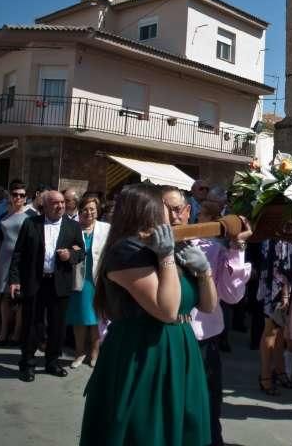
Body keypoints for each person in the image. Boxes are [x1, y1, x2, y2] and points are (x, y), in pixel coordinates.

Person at [80, 183, 219, 446]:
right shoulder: (126, 252)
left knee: (181, 427)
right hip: (143, 351)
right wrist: (166, 256)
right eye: (165, 207)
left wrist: (204, 272)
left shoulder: (175, 246)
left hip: (180, 345)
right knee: (145, 430)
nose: (173, 214)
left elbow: (209, 306)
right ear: (146, 211)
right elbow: (167, 310)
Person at [187, 200, 252, 446]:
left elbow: (232, 296)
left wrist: (237, 245)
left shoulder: (215, 249)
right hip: (170, 336)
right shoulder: (161, 247)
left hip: (206, 338)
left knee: (210, 404)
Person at [8, 190, 85, 382]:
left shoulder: (73, 226)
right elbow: (18, 254)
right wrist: (15, 280)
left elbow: (81, 252)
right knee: (32, 324)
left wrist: (70, 256)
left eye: (62, 202)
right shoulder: (31, 223)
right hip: (35, 281)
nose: (60, 206)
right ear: (45, 205)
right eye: (55, 203)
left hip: (59, 283)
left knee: (57, 325)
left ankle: (52, 362)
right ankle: (27, 363)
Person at [65, 194, 110, 368]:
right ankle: (79, 353)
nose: (88, 212)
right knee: (79, 318)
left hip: (98, 279)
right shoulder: (72, 228)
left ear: (97, 211)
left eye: (92, 209)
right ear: (79, 210)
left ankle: (95, 352)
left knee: (96, 318)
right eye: (85, 209)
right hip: (78, 279)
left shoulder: (106, 228)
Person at [0, 182, 32, 346]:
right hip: (4, 260)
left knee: (20, 297)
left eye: (22, 195)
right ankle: (3, 332)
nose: (18, 198)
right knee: (5, 297)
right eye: (15, 194)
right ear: (10, 196)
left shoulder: (30, 218)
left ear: (25, 198)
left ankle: (16, 333)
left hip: (22, 261)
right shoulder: (4, 216)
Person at [257, 240, 292, 397]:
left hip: (286, 285)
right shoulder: (278, 228)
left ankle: (279, 371)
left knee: (280, 330)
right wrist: (285, 292)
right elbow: (277, 263)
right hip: (275, 286)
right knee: (271, 331)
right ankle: (265, 376)